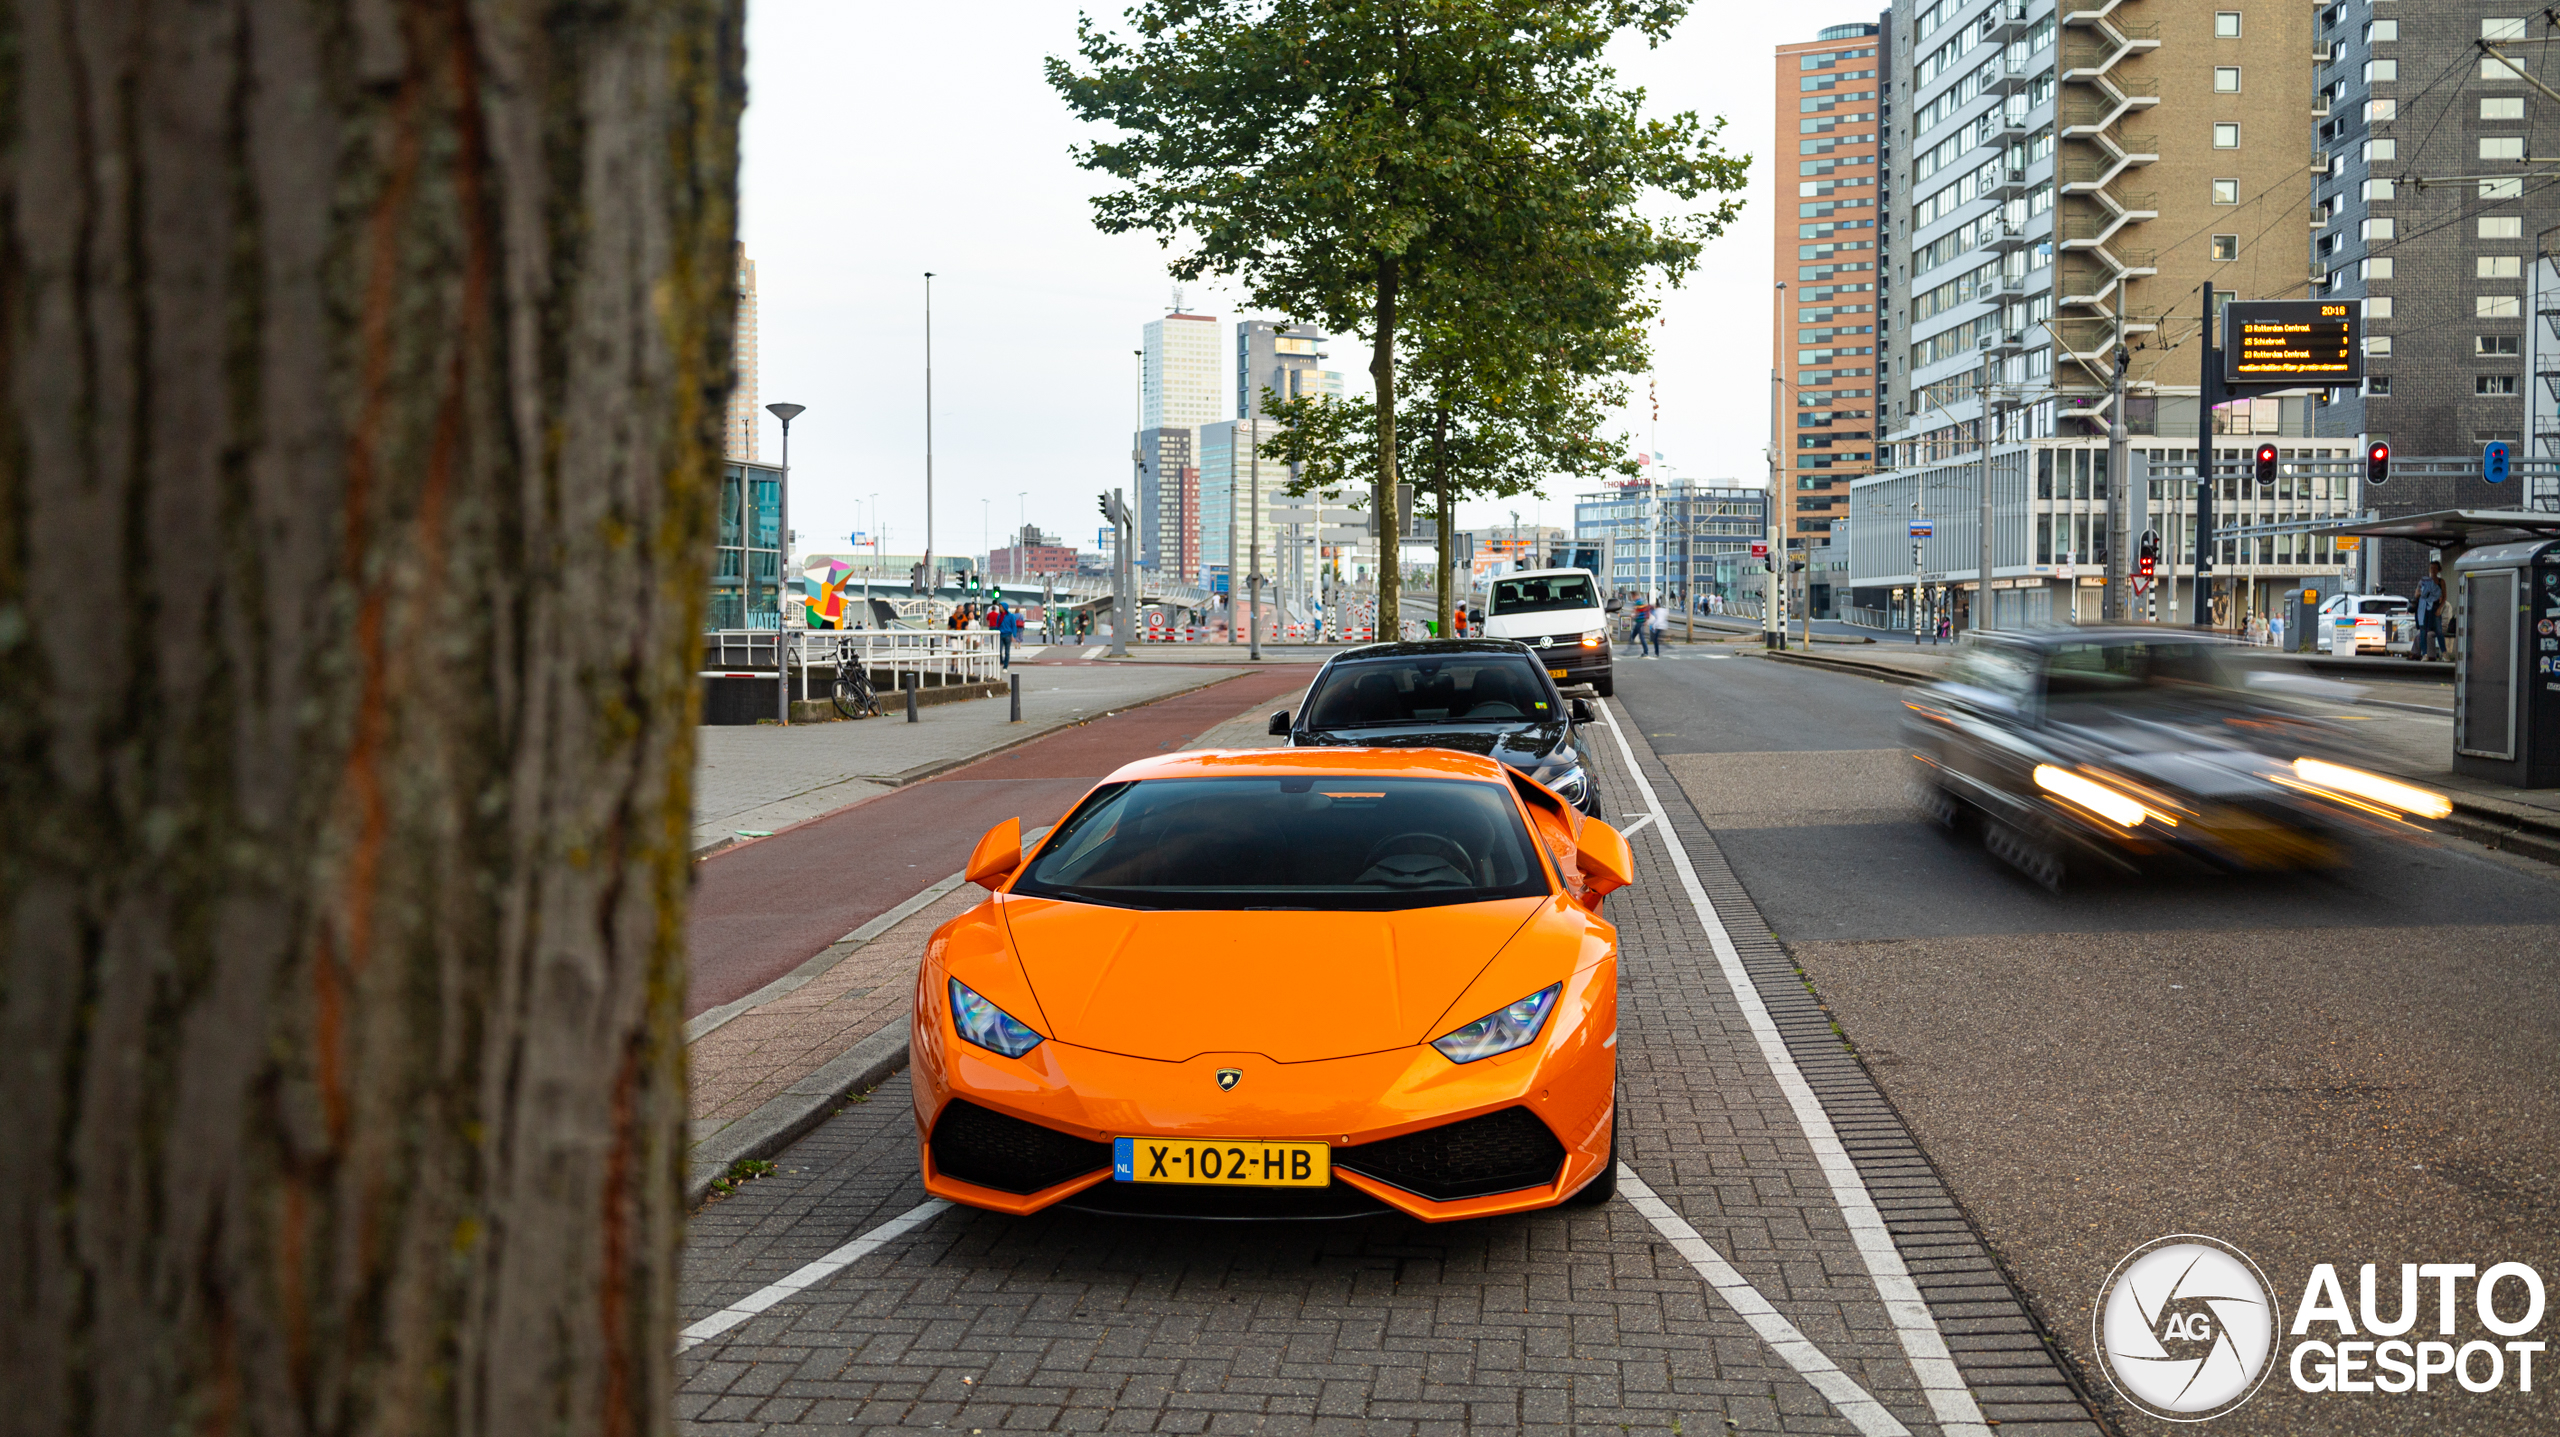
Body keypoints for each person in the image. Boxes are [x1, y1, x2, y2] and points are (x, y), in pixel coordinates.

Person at [2413, 561, 2445, 661]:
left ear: (2438, 570)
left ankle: (2444, 653)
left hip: (2435, 609)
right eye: (2431, 568)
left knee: (2438, 631)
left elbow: (2444, 596)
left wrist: (2439, 608)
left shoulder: (2441, 582)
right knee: (2423, 631)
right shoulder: (2423, 581)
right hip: (2424, 608)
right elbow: (2416, 594)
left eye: (2435, 568)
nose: (2433, 570)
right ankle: (2424, 654)